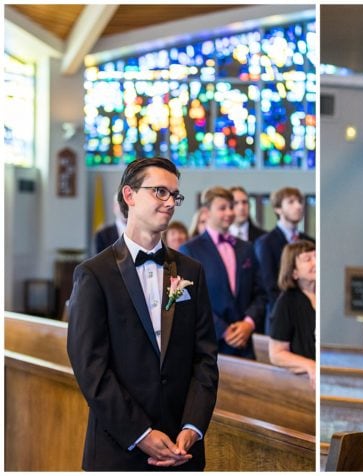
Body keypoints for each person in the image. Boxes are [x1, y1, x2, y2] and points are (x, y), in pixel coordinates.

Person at [66, 157, 218, 470]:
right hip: (119, 448)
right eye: (160, 191)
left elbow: (204, 358)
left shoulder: (192, 271)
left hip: (182, 449)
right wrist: (141, 433)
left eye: (174, 195)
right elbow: (90, 366)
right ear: (129, 195)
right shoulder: (94, 274)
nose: (170, 202)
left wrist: (192, 426)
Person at [179, 186, 267, 359]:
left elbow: (261, 294)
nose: (229, 212)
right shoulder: (190, 250)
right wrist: (224, 331)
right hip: (209, 344)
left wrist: (248, 324)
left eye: (231, 207)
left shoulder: (246, 248)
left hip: (244, 343)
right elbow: (187, 298)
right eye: (222, 208)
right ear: (206, 212)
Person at [255, 186, 314, 330]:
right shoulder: (266, 243)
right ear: (277, 209)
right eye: (291, 202)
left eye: (300, 202)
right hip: (280, 315)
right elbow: (269, 285)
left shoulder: (310, 242)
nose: (299, 206)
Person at [268, 240, 316, 388]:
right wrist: (310, 365)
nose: (316, 262)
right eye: (307, 259)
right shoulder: (287, 302)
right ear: (294, 272)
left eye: (316, 256)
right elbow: (276, 354)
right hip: (303, 383)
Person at [93, 191, 126, 255]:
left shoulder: (142, 232)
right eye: (121, 204)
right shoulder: (102, 235)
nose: (124, 208)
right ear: (114, 208)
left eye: (127, 205)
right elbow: (100, 261)